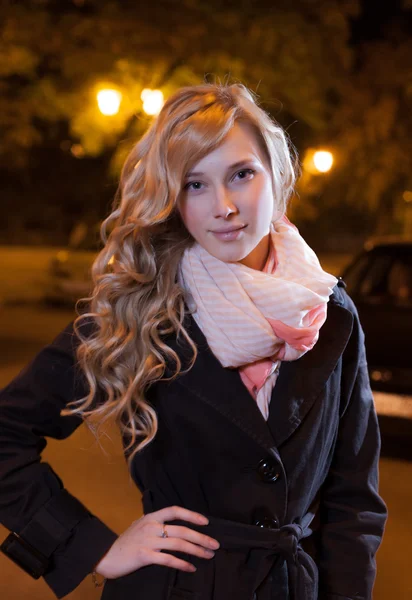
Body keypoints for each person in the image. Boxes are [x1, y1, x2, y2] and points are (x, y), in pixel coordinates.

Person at [0, 83, 387, 600]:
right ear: (171, 198)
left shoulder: (331, 310)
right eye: (194, 185)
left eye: (241, 175)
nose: (223, 207)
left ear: (278, 174)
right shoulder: (139, 308)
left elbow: (353, 502)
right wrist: (91, 547)